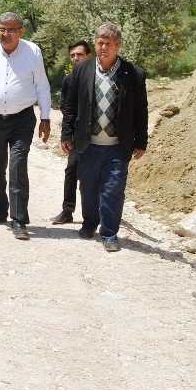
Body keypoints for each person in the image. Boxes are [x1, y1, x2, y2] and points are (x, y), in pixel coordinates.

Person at [60, 23, 148, 252]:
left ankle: (109, 233)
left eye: (108, 43)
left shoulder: (133, 74)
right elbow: (70, 106)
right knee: (88, 188)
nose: (103, 47)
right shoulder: (82, 70)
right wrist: (66, 133)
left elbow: (141, 110)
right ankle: (89, 223)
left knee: (112, 190)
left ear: (118, 46)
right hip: (88, 144)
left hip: (117, 146)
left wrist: (141, 141)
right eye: (99, 42)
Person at [0, 12, 51, 240]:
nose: (5, 34)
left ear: (21, 32)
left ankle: (19, 219)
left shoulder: (32, 52)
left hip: (22, 119)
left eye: (11, 30)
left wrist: (45, 118)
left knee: (17, 165)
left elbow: (42, 86)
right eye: (2, 29)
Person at [50, 40, 93, 224]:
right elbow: (65, 108)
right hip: (77, 134)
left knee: (94, 174)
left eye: (80, 55)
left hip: (99, 134)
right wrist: (66, 135)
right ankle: (67, 211)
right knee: (72, 170)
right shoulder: (69, 80)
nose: (76, 58)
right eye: (73, 55)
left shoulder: (98, 77)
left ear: (89, 56)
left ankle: (93, 213)